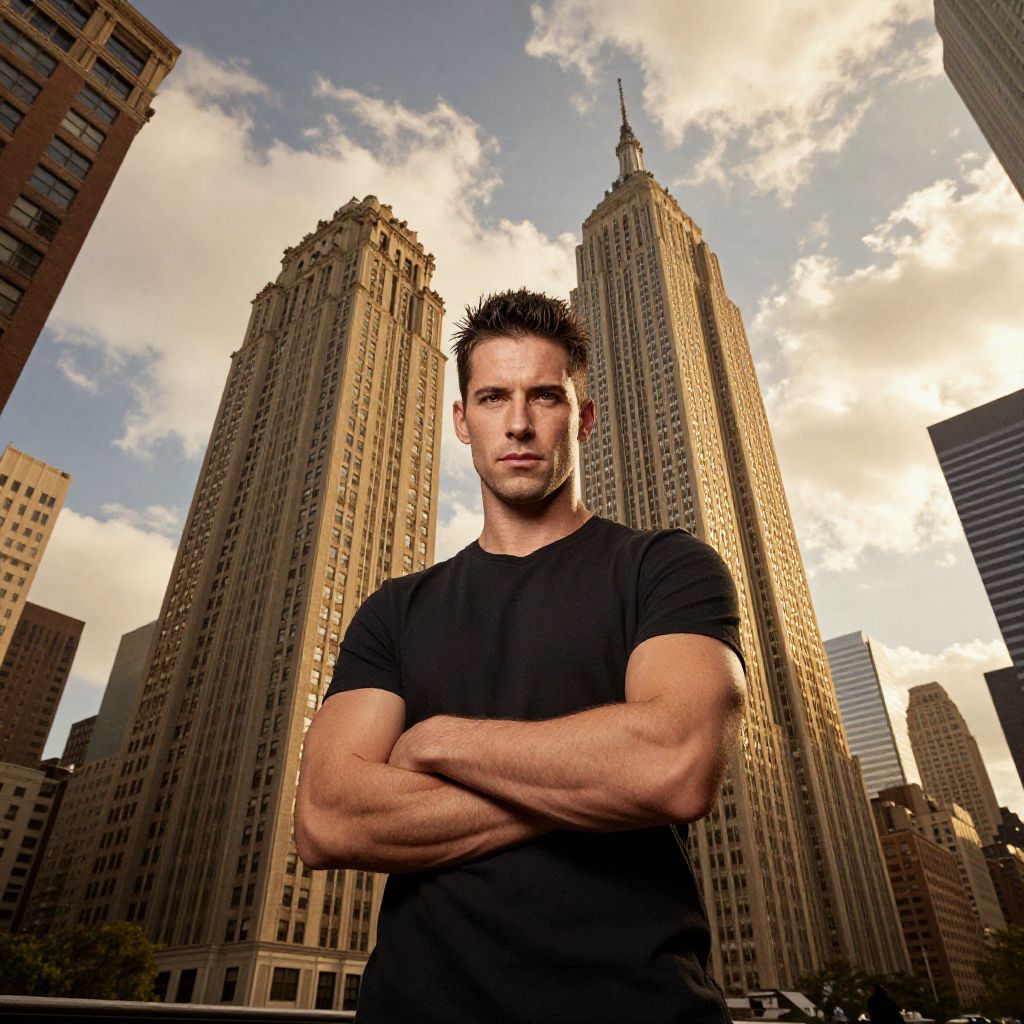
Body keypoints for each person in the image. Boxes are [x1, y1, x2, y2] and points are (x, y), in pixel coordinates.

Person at [295, 289, 747, 1023]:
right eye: (493, 397)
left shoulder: (665, 568)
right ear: (462, 421)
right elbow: (327, 819)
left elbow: (676, 766)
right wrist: (599, 787)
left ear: (583, 418)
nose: (518, 423)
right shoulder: (395, 610)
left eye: (545, 395)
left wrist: (437, 742)